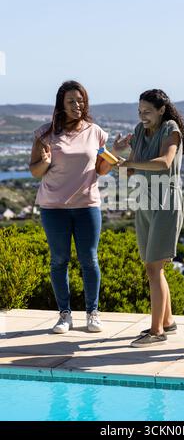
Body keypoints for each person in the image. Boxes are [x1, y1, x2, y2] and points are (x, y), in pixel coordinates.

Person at [29, 80, 114, 334]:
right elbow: (35, 171)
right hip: (53, 207)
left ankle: (92, 313)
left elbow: (100, 169)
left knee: (90, 259)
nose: (77, 105)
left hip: (87, 205)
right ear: (61, 105)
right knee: (59, 260)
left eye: (80, 100)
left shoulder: (96, 131)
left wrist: (111, 159)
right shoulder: (45, 133)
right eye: (71, 101)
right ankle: (64, 315)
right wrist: (44, 163)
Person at [111, 89, 184, 347]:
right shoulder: (139, 131)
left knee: (154, 267)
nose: (142, 116)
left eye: (147, 111)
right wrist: (116, 155)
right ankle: (167, 322)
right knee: (152, 266)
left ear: (161, 110)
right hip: (143, 202)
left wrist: (130, 164)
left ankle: (156, 332)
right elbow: (129, 172)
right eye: (139, 111)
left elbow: (165, 162)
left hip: (166, 202)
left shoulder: (171, 129)